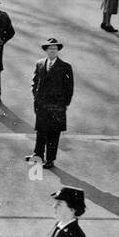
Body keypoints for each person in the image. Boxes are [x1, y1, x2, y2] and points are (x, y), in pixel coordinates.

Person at [28, 37, 74, 169]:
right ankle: (37, 155)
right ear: (46, 50)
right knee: (41, 131)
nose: (52, 51)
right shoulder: (40, 63)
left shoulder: (65, 67)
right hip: (42, 104)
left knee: (53, 133)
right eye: (50, 48)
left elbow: (69, 88)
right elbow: (35, 81)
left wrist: (64, 104)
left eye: (55, 48)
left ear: (58, 50)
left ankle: (50, 159)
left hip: (56, 106)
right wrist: (36, 96)